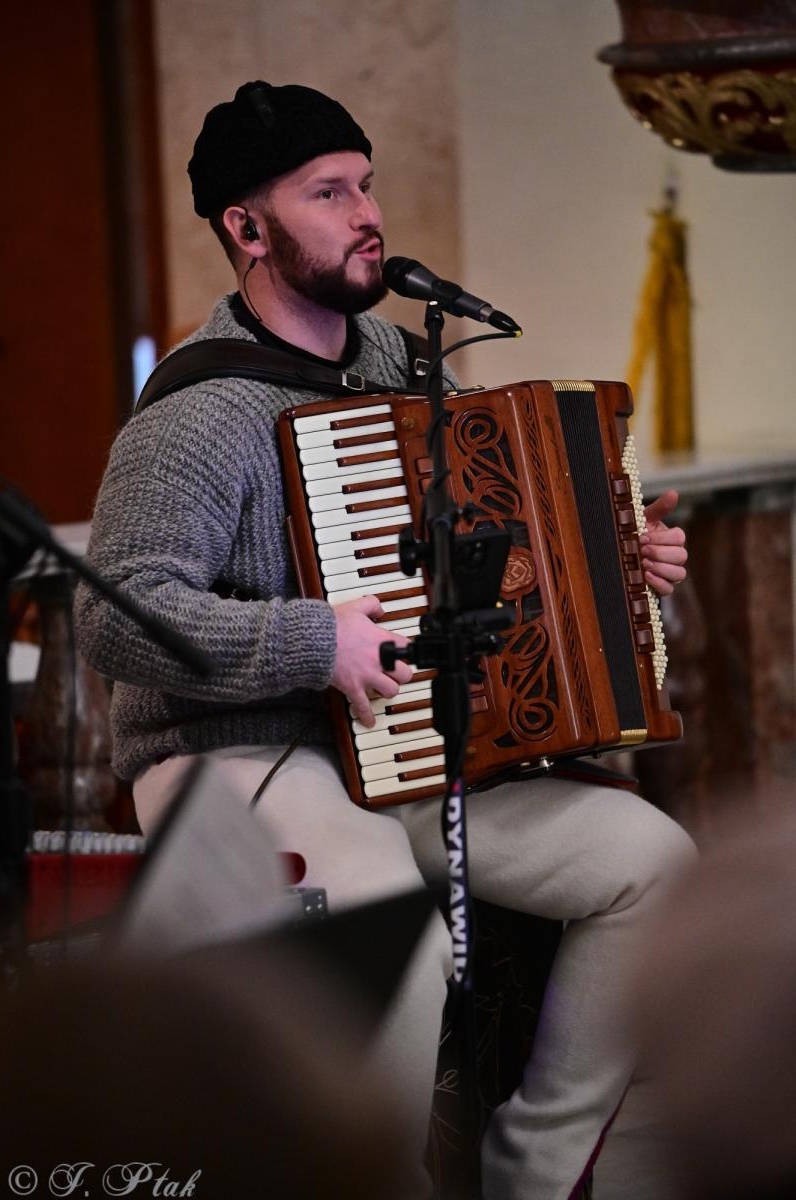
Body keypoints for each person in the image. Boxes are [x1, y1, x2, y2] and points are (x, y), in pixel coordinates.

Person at [75, 80, 696, 1200]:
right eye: (328, 191)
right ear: (247, 229)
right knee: (391, 938)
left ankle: (532, 1171)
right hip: (240, 750)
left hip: (406, 747)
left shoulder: (405, 370)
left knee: (652, 866)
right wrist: (312, 644)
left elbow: (501, 558)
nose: (366, 211)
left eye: (365, 184)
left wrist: (626, 569)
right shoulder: (193, 415)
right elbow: (115, 613)